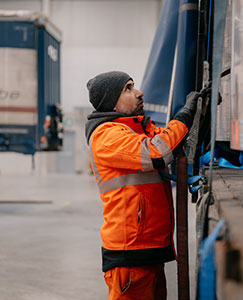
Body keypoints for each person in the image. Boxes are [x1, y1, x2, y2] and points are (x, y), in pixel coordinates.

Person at [85, 71, 209, 300]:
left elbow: (173, 140)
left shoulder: (135, 128)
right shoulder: (107, 136)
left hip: (148, 247)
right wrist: (185, 114)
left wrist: (199, 112)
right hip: (130, 250)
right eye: (128, 89)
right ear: (111, 100)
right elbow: (158, 151)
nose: (139, 93)